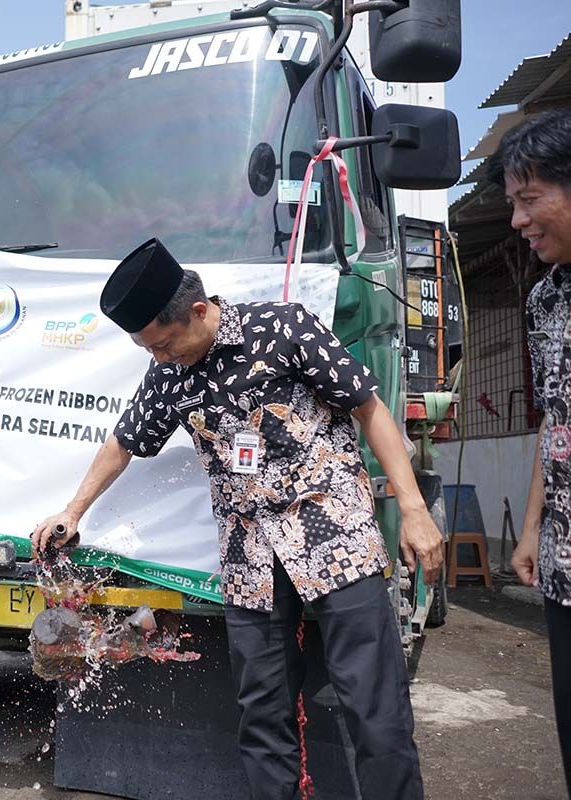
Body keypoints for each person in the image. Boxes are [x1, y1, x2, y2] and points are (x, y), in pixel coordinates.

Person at [32, 238, 444, 800]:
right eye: (149, 350)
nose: (161, 358)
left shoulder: (283, 328)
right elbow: (124, 441)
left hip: (332, 535)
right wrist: (73, 509)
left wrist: (414, 508)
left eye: (166, 344)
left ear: (199, 311)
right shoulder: (169, 377)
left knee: (376, 710)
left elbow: (367, 405)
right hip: (249, 558)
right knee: (262, 718)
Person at [495, 109, 571, 797]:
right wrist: (531, 530)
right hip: (565, 565)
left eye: (529, 199)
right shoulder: (544, 302)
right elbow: (556, 421)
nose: (518, 221)